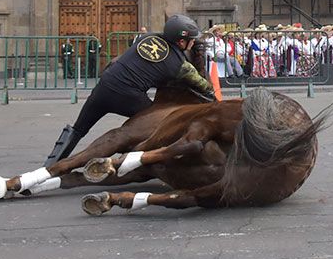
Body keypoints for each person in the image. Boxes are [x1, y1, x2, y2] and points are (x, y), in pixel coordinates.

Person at [43, 14, 215, 167]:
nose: (193, 43)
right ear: (181, 41)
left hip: (104, 86)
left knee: (78, 129)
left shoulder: (146, 38)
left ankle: (49, 166)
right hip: (128, 97)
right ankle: (141, 162)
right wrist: (212, 95)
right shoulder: (179, 65)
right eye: (191, 40)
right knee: (160, 125)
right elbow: (203, 85)